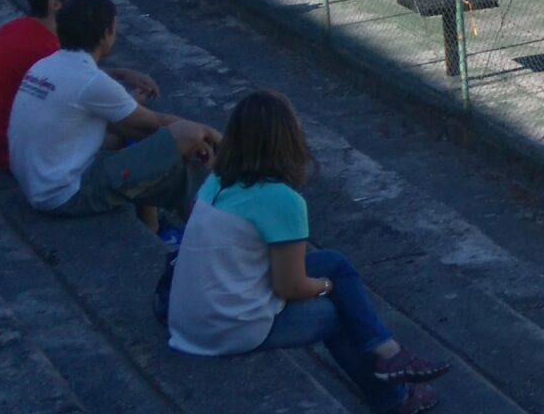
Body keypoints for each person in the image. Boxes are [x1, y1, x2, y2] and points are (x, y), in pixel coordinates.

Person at [167, 91, 448, 414]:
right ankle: (395, 398)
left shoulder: (216, 181)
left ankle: (390, 353)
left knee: (335, 263)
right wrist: (326, 287)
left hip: (188, 320)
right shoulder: (281, 200)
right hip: (225, 330)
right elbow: (289, 287)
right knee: (338, 312)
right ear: (287, 139)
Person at [8, 0, 218, 233]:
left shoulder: (45, 65)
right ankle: (199, 228)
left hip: (39, 183)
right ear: (106, 34)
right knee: (187, 134)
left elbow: (135, 129)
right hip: (65, 194)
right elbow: (158, 125)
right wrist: (214, 136)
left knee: (152, 148)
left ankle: (163, 226)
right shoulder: (91, 81)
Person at [0, 0, 158, 171]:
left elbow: (69, 76)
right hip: (19, 156)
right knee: (130, 133)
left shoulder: (17, 30)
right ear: (55, 4)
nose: (88, 1)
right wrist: (128, 104)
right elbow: (76, 86)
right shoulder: (42, 48)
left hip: (7, 143)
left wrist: (121, 74)